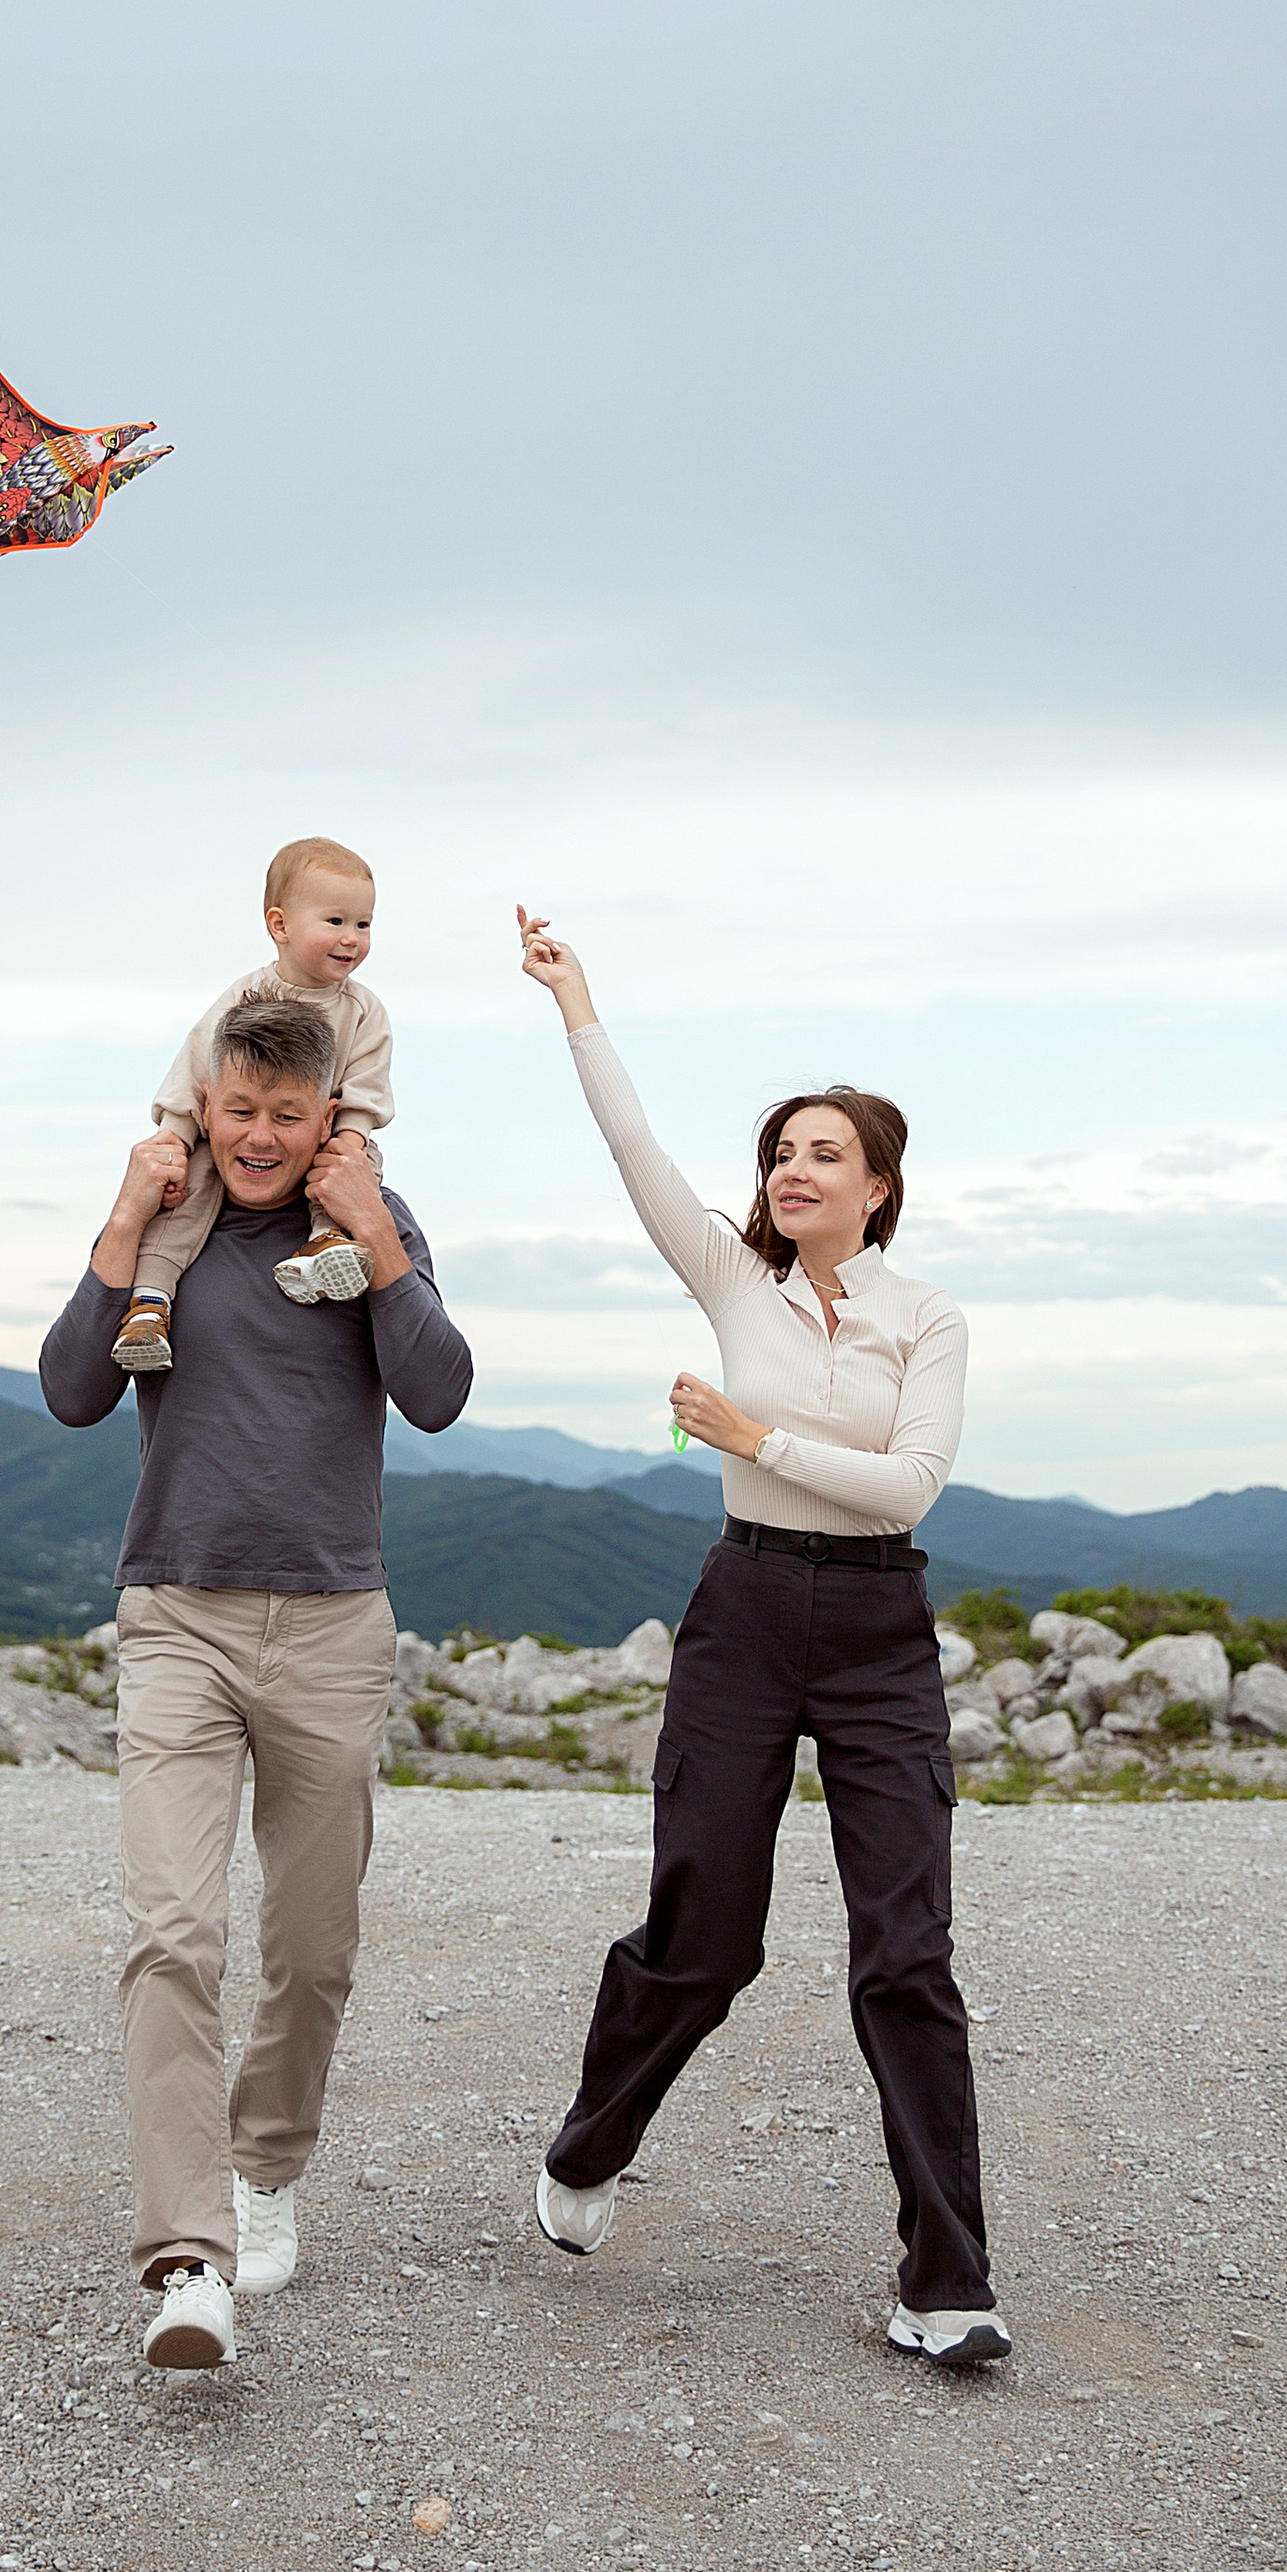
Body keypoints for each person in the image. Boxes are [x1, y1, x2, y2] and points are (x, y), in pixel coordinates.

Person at [513, 909, 1006, 2367]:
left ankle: (949, 2283)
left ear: (880, 1186)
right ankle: (592, 2147)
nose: (793, 1171)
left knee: (904, 1956)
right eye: (780, 1152)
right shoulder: (736, 1279)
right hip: (741, 1617)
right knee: (706, 1937)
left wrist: (751, 1431)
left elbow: (912, 1484)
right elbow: (632, 1149)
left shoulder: (931, 1317)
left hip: (879, 1627)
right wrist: (575, 1003)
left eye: (824, 1154)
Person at [40, 991, 473, 2370]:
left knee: (312, 1942)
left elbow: (442, 1390)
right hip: (176, 1617)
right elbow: (69, 1392)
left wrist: (387, 1242)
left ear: (330, 1114)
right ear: (205, 1107)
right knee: (172, 1934)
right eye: (242, 1111)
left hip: (336, 1626)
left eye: (291, 1114)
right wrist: (119, 1222)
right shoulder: (171, 1241)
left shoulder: (360, 1235)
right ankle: (188, 2255)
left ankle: (267, 2165)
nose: (263, 1138)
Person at [112, 835, 394, 1371]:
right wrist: (174, 1132)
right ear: (280, 925)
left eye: (363, 924)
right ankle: (149, 1303)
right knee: (185, 1191)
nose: (352, 939)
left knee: (356, 1169)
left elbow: (367, 1081)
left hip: (321, 1136)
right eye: (335, 922)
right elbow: (197, 1059)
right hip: (228, 1142)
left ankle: (325, 1241)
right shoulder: (247, 995)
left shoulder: (363, 1010)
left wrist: (351, 1138)